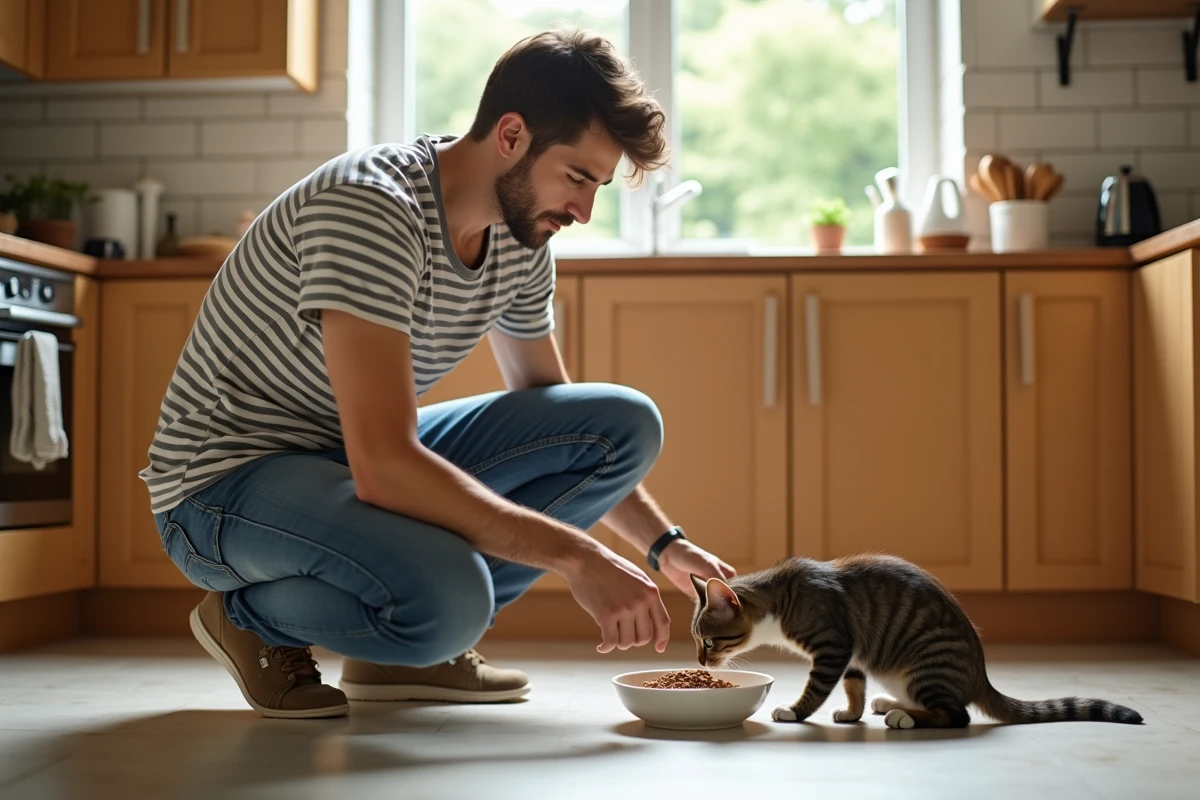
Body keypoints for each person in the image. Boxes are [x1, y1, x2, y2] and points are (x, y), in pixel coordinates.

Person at [140, 27, 736, 720]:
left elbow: (554, 409)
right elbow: (385, 466)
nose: (584, 210)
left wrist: (665, 546)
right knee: (453, 603)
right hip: (223, 485)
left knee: (620, 423)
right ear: (510, 135)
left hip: (344, 459)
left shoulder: (522, 236)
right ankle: (251, 622)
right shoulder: (371, 207)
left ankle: (397, 653)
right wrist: (578, 558)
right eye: (577, 177)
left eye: (597, 186)